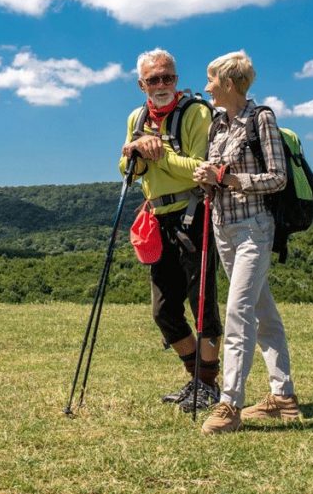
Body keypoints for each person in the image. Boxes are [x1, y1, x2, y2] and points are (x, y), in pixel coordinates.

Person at [193, 50, 301, 433]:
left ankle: (229, 405)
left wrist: (236, 180)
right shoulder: (217, 125)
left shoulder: (261, 119)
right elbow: (218, 175)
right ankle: (283, 397)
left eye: (212, 81)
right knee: (261, 309)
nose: (207, 87)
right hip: (224, 227)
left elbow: (278, 177)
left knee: (238, 311)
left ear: (230, 83)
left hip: (255, 227)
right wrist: (207, 176)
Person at [119, 48, 222, 412]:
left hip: (195, 215)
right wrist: (135, 151)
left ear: (176, 80)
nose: (161, 85)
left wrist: (156, 151)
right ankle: (198, 378)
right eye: (153, 80)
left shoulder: (196, 112)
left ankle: (207, 385)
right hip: (158, 218)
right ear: (141, 84)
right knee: (164, 311)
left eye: (168, 78)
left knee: (202, 306)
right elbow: (126, 170)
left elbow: (199, 167)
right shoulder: (137, 117)